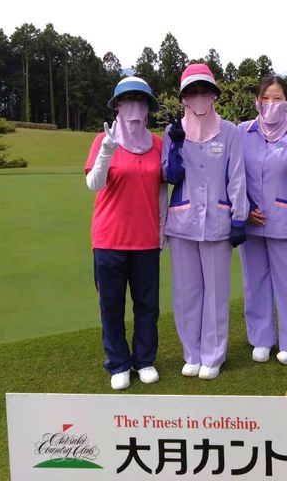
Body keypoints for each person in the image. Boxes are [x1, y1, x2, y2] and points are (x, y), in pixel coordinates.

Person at [162, 63, 248, 380]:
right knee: (186, 292)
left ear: (213, 94)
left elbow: (237, 177)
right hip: (182, 223)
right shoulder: (172, 132)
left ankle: (213, 355)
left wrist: (239, 217)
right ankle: (192, 353)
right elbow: (170, 176)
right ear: (184, 97)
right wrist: (175, 146)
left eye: (204, 91)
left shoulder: (230, 132)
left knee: (215, 292)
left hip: (217, 222)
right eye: (192, 92)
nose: (199, 97)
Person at [84, 76, 167, 390]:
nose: (134, 106)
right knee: (111, 306)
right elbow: (94, 184)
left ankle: (144, 360)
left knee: (147, 305)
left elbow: (161, 191)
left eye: (140, 100)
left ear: (148, 107)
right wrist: (107, 151)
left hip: (145, 239)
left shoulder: (157, 144)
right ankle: (118, 363)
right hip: (109, 238)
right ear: (117, 105)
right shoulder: (103, 140)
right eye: (127, 100)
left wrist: (162, 229)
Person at [237, 75, 287, 365]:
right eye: (266, 98)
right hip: (252, 220)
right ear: (256, 101)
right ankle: (261, 338)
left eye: (277, 98)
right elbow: (233, 174)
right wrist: (245, 208)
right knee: (254, 282)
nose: (271, 103)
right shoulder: (243, 131)